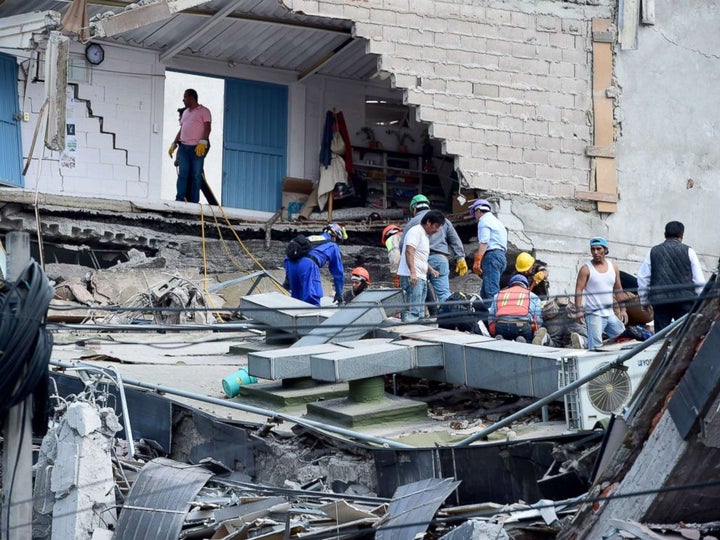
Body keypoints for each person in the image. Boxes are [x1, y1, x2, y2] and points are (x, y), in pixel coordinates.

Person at [637, 221, 705, 332]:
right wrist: (700, 302)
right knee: (684, 335)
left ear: (665, 234)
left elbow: (643, 278)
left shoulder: (653, 251)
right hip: (685, 301)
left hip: (660, 301)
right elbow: (698, 280)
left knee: (660, 338)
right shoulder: (689, 251)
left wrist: (644, 301)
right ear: (682, 235)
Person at [401, 194, 468, 305]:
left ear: (414, 209)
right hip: (440, 259)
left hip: (419, 261)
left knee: (418, 293)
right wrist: (460, 257)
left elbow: (403, 245)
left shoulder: (412, 223)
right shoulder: (444, 221)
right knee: (444, 293)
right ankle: (449, 316)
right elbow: (455, 240)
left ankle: (421, 319)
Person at [574, 237, 628, 349]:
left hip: (610, 314)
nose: (595, 252)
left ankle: (585, 343)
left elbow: (618, 289)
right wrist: (579, 310)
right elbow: (579, 290)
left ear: (606, 250)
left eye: (599, 249)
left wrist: (623, 310)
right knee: (595, 348)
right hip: (594, 314)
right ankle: (587, 345)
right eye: (593, 249)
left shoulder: (613, 267)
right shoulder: (586, 269)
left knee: (625, 339)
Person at [397, 210, 446, 323]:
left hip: (421, 276)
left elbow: (420, 257)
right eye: (436, 226)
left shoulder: (424, 235)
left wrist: (431, 269)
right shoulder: (415, 232)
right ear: (428, 222)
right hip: (413, 276)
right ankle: (409, 333)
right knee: (412, 310)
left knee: (418, 311)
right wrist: (413, 272)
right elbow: (409, 252)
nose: (437, 230)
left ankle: (415, 332)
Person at [283, 223, 347, 306]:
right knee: (312, 300)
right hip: (308, 264)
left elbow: (291, 253)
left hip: (290, 262)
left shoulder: (310, 238)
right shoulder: (333, 245)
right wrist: (339, 293)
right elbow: (338, 273)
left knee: (296, 302)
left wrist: (288, 279)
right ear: (335, 237)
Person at [168, 89, 212, 203]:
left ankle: (194, 202)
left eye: (185, 97)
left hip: (197, 148)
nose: (183, 100)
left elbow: (207, 127)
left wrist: (203, 141)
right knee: (183, 174)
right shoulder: (185, 113)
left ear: (192, 98)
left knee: (196, 175)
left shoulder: (204, 111)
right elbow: (182, 129)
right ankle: (180, 198)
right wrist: (174, 143)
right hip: (184, 148)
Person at [487, 274, 543, 342]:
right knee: (529, 339)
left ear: (510, 285)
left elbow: (491, 316)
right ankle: (523, 342)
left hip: (501, 325)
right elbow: (537, 318)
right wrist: (535, 331)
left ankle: (501, 339)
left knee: (502, 335)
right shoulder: (532, 296)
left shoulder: (498, 295)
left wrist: (493, 331)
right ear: (526, 286)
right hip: (522, 326)